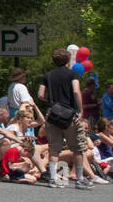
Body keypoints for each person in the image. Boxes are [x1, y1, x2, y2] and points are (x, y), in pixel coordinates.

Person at [37, 48, 90, 189]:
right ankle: (79, 180)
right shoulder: (73, 74)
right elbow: (76, 91)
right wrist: (81, 111)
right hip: (70, 115)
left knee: (54, 148)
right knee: (77, 149)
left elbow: (40, 94)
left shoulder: (48, 75)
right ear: (68, 60)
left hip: (53, 115)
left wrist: (52, 103)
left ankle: (53, 178)